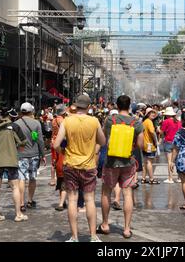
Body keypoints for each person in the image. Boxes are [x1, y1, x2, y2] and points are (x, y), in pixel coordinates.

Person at [54, 95, 105, 242]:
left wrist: (63, 152)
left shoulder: (67, 121)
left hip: (70, 164)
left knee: (72, 200)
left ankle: (74, 237)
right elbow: (102, 141)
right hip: (88, 166)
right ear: (89, 107)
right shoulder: (94, 121)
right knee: (89, 200)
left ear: (75, 106)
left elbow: (56, 144)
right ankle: (93, 236)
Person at [98, 95, 144, 239]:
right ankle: (126, 229)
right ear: (129, 106)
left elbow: (102, 140)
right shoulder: (136, 122)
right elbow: (141, 145)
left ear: (117, 106)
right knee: (127, 194)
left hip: (111, 161)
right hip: (128, 162)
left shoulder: (110, 120)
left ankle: (105, 225)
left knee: (106, 192)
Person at [0, 107, 28, 222]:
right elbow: (22, 144)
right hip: (11, 159)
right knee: (15, 187)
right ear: (9, 115)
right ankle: (18, 214)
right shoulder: (14, 127)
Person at [15, 102, 46, 212]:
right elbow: (40, 140)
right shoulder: (36, 123)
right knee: (32, 178)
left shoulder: (16, 123)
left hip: (21, 154)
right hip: (34, 154)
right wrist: (43, 154)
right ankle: (30, 200)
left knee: (21, 178)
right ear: (31, 111)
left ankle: (21, 203)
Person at [51, 104, 67, 211]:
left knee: (59, 171)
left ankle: (62, 200)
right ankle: (62, 202)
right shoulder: (62, 121)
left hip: (54, 144)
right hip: (61, 145)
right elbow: (64, 134)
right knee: (63, 175)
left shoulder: (54, 120)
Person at [160, 106, 181, 183]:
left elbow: (162, 132)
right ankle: (179, 178)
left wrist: (159, 129)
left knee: (169, 161)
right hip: (177, 142)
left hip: (168, 141)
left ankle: (170, 178)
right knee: (177, 160)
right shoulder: (178, 122)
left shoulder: (166, 121)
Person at [141, 107, 160, 184]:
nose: (153, 114)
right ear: (147, 114)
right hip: (149, 145)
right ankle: (151, 179)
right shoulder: (149, 122)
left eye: (153, 113)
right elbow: (152, 132)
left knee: (145, 162)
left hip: (144, 144)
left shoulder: (145, 121)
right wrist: (156, 142)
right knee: (149, 162)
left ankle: (143, 178)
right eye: (151, 113)